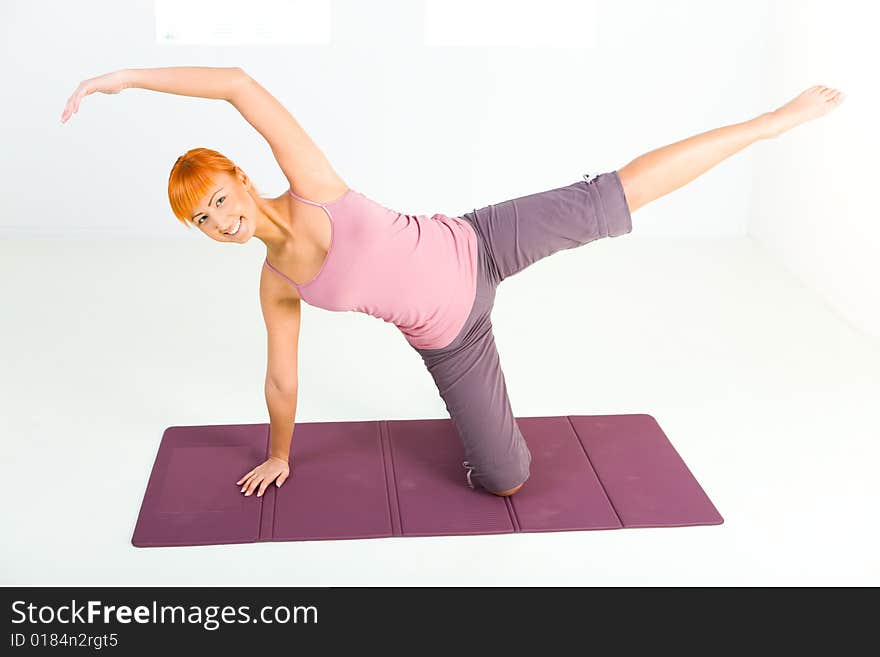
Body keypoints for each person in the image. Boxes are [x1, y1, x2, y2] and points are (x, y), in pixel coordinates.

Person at [61, 67, 845, 499]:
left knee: (618, 194)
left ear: (238, 175)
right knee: (506, 480)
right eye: (202, 220)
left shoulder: (310, 183)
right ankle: (485, 444)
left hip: (479, 241)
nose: (221, 220)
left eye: (219, 199)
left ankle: (768, 122)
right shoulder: (274, 283)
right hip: (451, 339)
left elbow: (239, 84)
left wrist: (124, 79)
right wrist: (280, 453)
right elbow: (280, 377)